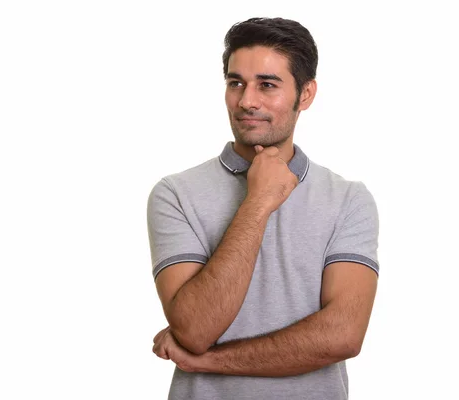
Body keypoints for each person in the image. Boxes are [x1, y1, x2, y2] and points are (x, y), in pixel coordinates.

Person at [146, 17, 379, 400]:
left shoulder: (348, 199)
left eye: (267, 85)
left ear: (305, 94)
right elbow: (195, 329)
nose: (246, 100)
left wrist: (209, 362)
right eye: (235, 83)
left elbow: (343, 336)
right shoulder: (175, 193)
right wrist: (258, 201)